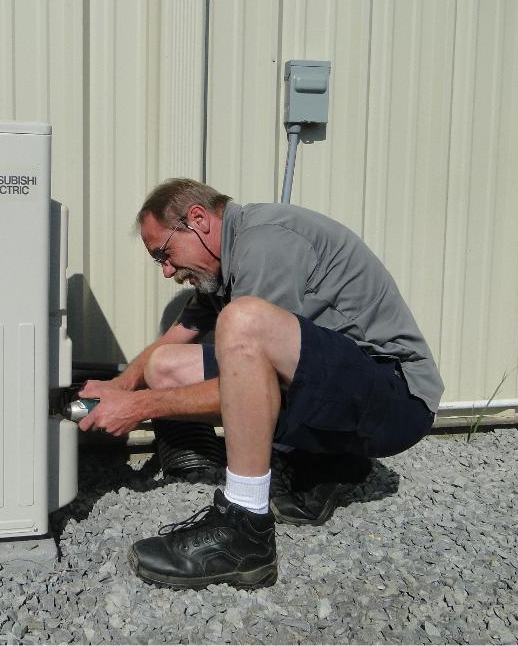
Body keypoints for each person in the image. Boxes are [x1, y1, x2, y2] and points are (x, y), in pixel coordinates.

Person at [77, 178, 444, 590]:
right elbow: (173, 341)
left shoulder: (265, 243)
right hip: (348, 390)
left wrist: (140, 407)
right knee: (165, 366)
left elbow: (252, 380)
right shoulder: (223, 264)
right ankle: (329, 464)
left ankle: (245, 528)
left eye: (164, 253)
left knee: (243, 321)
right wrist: (120, 386)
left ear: (197, 219)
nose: (166, 271)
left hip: (397, 399)